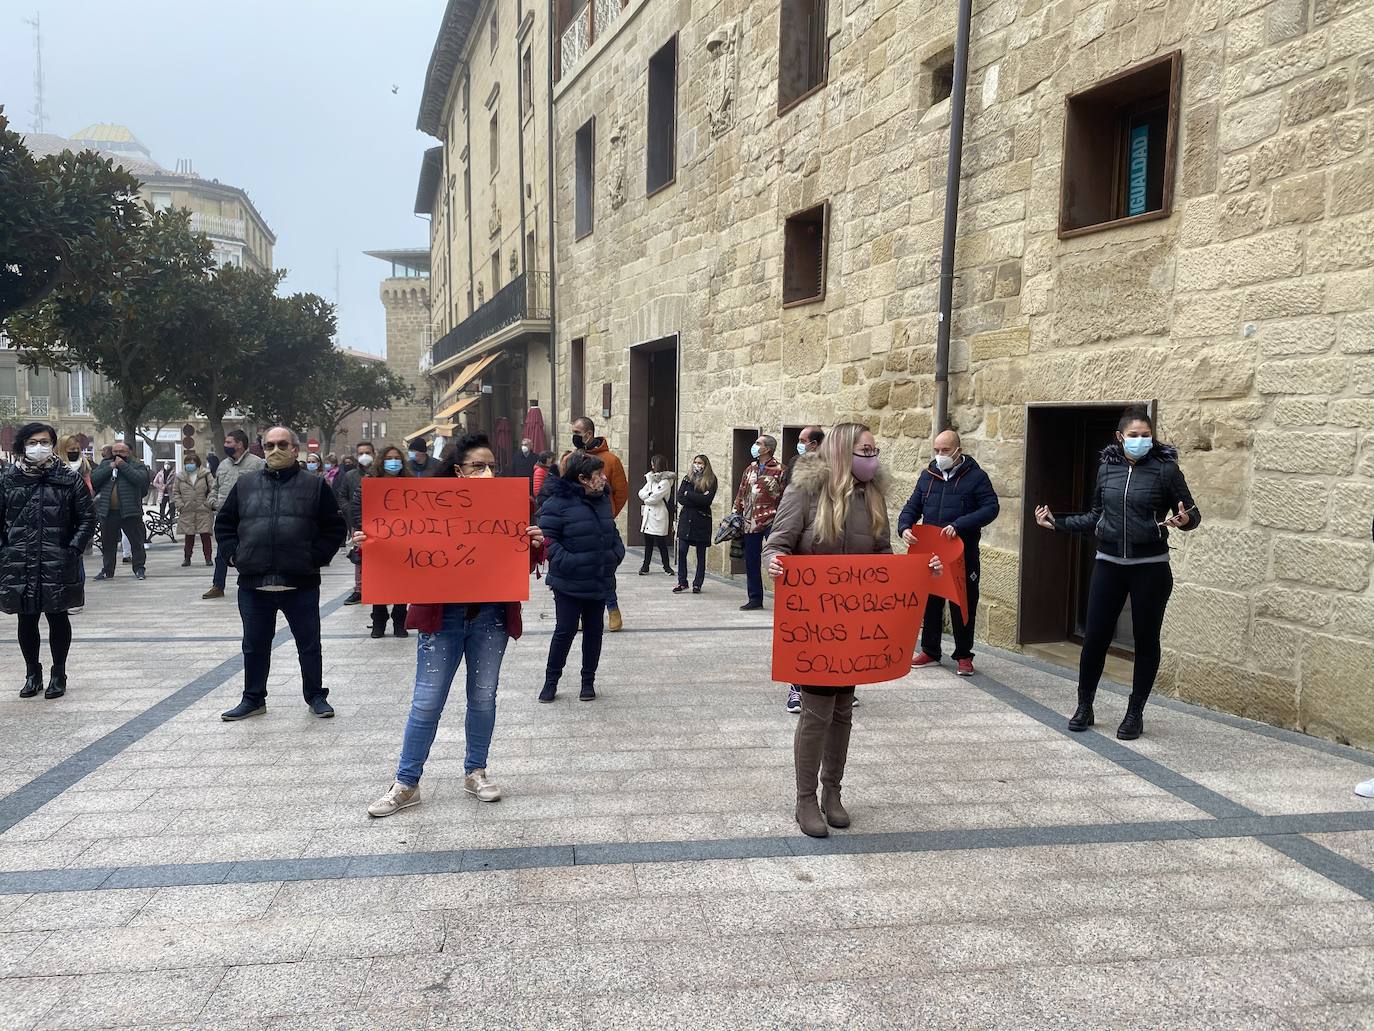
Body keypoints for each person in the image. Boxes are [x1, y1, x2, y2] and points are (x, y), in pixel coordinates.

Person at [764, 422, 941, 838]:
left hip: (854, 630)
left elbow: (883, 558)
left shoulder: (872, 496)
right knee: (816, 712)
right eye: (865, 449)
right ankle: (805, 798)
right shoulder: (804, 491)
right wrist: (771, 563)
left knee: (843, 709)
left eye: (874, 450)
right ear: (844, 451)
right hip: (815, 627)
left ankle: (832, 793)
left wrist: (919, 571)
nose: (872, 457)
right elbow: (777, 544)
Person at [366, 432, 547, 816]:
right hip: (442, 617)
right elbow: (400, 547)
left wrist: (535, 544)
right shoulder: (427, 507)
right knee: (427, 700)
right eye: (477, 466)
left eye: (492, 467)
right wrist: (372, 542)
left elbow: (526, 560)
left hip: (491, 617)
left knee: (483, 697)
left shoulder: (514, 505)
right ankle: (406, 782)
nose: (487, 473)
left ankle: (476, 772)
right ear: (457, 470)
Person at [1034, 406, 1201, 741]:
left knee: (1145, 640)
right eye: (1134, 435)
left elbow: (1192, 513)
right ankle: (1084, 706)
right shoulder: (1106, 468)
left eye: (1146, 435)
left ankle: (1135, 711)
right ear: (1119, 437)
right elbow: (1097, 516)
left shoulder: (1166, 470)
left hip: (1150, 569)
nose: (1140, 440)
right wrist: (1057, 523)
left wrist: (1185, 521)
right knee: (1095, 637)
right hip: (1109, 564)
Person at [214, 426, 348, 721]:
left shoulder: (314, 486)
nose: (275, 450)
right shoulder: (246, 484)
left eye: (282, 444)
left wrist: (313, 557)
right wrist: (235, 555)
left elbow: (335, 528)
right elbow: (224, 523)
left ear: (294, 449)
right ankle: (253, 698)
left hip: (299, 582)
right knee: (254, 645)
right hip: (254, 582)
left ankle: (315, 695)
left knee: (309, 644)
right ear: (262, 449)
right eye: (270, 445)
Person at [0, 423, 96, 700]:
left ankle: (59, 673)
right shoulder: (9, 479)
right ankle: (33, 673)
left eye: (44, 441)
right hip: (19, 560)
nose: (38, 446)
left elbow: (87, 518)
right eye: (32, 441)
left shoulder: (68, 477)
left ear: (53, 445)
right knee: (26, 619)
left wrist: (73, 548)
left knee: (58, 617)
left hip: (57, 560)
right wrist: (5, 549)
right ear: (23, 445)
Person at [899, 429, 1001, 677]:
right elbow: (912, 506)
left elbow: (991, 508)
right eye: (936, 450)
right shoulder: (928, 476)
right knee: (931, 601)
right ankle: (930, 651)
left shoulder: (976, 477)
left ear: (958, 451)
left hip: (962, 554)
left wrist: (960, 524)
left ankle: (964, 655)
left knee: (962, 602)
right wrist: (904, 527)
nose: (940, 455)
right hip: (931, 553)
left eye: (945, 451)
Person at [538, 450, 625, 702]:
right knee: (564, 631)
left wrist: (614, 555)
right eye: (599, 475)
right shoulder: (557, 503)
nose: (604, 479)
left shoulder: (601, 499)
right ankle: (551, 681)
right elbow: (547, 540)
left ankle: (588, 681)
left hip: (599, 579)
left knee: (594, 631)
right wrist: (571, 561)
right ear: (583, 478)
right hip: (568, 582)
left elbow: (613, 532)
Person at [569, 417, 628, 631]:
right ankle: (580, 614)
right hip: (575, 525)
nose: (573, 435)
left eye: (577, 431)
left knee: (604, 570)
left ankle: (613, 611)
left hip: (601, 525)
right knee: (579, 571)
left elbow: (621, 492)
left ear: (588, 434)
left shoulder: (610, 460)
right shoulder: (571, 459)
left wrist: (609, 514)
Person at [353, 444, 410, 639]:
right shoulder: (369, 482)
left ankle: (400, 621)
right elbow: (358, 507)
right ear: (381, 461)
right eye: (389, 458)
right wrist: (368, 530)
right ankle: (379, 621)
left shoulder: (409, 483)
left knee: (402, 585)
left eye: (397, 458)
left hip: (403, 542)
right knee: (379, 583)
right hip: (376, 542)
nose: (393, 462)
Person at [203, 430, 265, 600]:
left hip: (249, 517)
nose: (226, 445)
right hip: (225, 517)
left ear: (239, 444)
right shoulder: (223, 465)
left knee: (252, 550)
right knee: (221, 552)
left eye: (229, 442)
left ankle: (256, 582)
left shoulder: (257, 464)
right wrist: (213, 502)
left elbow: (265, 489)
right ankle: (218, 585)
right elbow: (214, 488)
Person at [733, 433, 784, 611]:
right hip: (750, 521)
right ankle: (755, 598)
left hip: (772, 520)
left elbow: (785, 496)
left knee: (777, 559)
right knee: (751, 560)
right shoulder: (750, 468)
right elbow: (742, 492)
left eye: (758, 443)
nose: (755, 446)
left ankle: (784, 597)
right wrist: (735, 512)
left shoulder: (780, 470)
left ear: (767, 449)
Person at [90, 441, 150, 581]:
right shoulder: (105, 464)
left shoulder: (137, 465)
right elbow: (94, 480)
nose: (117, 455)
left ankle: (139, 568)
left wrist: (123, 466)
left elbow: (140, 480)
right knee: (108, 543)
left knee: (136, 543)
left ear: (128, 453)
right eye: (115, 452)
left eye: (121, 452)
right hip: (108, 512)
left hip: (130, 511)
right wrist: (110, 467)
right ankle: (107, 570)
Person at [333, 441, 375, 605]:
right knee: (359, 556)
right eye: (361, 453)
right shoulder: (350, 476)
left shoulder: (380, 473)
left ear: (374, 453)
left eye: (367, 452)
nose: (364, 456)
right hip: (357, 522)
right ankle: (359, 590)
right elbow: (342, 495)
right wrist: (350, 511)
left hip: (380, 522)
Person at [674, 454, 717, 594]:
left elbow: (707, 500)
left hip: (701, 520)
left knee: (700, 554)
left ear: (705, 465)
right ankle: (682, 581)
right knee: (681, 550)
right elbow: (680, 497)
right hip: (687, 519)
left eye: (700, 463)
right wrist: (697, 496)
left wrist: (689, 494)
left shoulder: (711, 480)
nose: (697, 465)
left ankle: (698, 583)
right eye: (695, 462)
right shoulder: (687, 478)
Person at [174, 452, 216, 567]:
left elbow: (214, 489)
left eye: (192, 462)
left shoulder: (206, 474)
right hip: (187, 509)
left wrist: (208, 503)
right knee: (189, 535)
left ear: (197, 463)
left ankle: (208, 558)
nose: (190, 465)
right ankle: (187, 558)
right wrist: (180, 505)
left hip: (203, 509)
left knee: (205, 535)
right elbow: (176, 492)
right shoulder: (180, 476)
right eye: (188, 462)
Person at [637, 454, 676, 576]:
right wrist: (648, 495)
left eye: (653, 463)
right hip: (649, 516)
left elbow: (654, 499)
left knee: (661, 543)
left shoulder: (665, 482)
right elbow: (641, 492)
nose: (651, 465)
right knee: (648, 543)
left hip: (659, 516)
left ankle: (667, 567)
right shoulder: (651, 479)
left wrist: (647, 497)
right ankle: (645, 566)